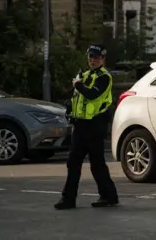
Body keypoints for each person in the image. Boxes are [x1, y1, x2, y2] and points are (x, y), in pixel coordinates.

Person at [55, 44, 119, 210]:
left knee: (97, 164)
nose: (92, 60)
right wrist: (69, 112)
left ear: (103, 59)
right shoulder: (83, 75)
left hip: (95, 126)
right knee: (73, 163)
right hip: (81, 125)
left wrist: (78, 85)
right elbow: (76, 99)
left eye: (96, 57)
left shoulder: (104, 77)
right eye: (90, 57)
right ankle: (68, 199)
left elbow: (92, 94)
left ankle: (108, 196)